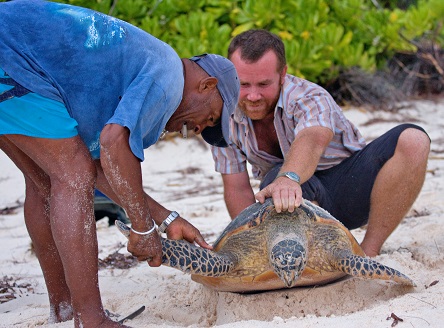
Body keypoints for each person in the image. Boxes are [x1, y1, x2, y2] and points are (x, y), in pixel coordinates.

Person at [0, 1, 239, 327]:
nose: (198, 129)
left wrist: (166, 219)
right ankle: (92, 319)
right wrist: (143, 229)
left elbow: (102, 164)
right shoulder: (168, 77)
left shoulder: (150, 63)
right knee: (73, 176)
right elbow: (115, 143)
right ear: (207, 85)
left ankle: (64, 308)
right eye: (209, 118)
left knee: (46, 180)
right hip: (11, 51)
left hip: (14, 51)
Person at [208, 29, 430, 258]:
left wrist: (289, 178)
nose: (253, 96)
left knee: (414, 139)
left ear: (282, 74)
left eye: (263, 84)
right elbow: (237, 187)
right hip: (289, 203)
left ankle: (369, 251)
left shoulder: (308, 96)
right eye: (244, 84)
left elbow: (312, 139)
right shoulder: (223, 117)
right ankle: (306, 256)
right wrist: (248, 247)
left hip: (350, 188)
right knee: (275, 180)